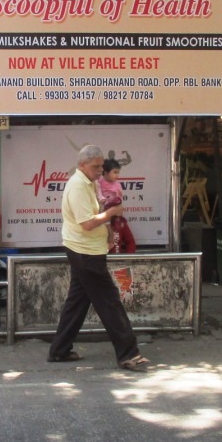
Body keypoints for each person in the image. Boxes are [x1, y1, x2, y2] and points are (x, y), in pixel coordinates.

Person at [48, 144, 149, 371]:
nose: (99, 170)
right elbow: (87, 223)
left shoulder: (89, 182)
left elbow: (94, 214)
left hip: (86, 249)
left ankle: (59, 350)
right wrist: (111, 213)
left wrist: (107, 224)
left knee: (77, 302)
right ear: (81, 165)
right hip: (85, 251)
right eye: (95, 167)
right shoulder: (78, 186)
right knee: (109, 302)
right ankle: (128, 354)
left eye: (101, 166)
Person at [96, 158, 137, 254]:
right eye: (115, 172)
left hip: (116, 216)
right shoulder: (98, 183)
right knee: (110, 243)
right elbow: (98, 197)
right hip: (103, 217)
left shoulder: (118, 185)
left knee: (121, 241)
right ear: (105, 172)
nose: (117, 175)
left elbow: (119, 200)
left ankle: (122, 259)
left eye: (118, 172)